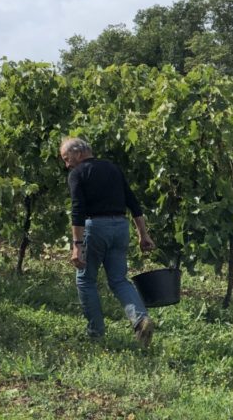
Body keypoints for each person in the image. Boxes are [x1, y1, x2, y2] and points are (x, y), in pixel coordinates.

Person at [62, 136, 157, 346]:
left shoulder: (78, 173)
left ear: (78, 153)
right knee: (119, 280)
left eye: (67, 158)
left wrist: (77, 245)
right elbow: (132, 201)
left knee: (86, 280)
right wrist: (143, 234)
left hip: (95, 228)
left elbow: (77, 209)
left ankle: (95, 333)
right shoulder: (112, 168)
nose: (67, 164)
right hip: (120, 227)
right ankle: (140, 319)